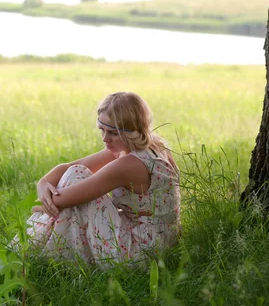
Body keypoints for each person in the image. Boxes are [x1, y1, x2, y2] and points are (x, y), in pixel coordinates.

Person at [17, 92, 181, 268]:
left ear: (132, 130)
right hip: (159, 238)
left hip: (141, 251)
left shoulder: (130, 164)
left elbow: (67, 197)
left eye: (112, 132)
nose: (105, 138)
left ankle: (33, 256)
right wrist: (42, 183)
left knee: (76, 176)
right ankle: (38, 255)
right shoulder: (148, 143)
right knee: (75, 172)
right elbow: (71, 165)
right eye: (102, 129)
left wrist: (42, 206)